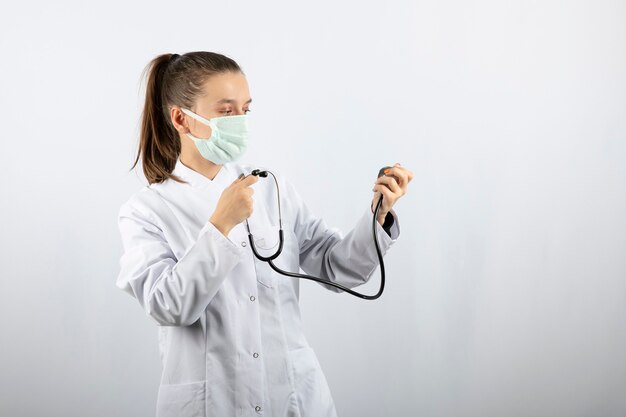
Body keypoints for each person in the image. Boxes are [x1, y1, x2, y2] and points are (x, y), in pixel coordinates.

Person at [116, 51, 413, 417]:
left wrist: (378, 215)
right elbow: (168, 307)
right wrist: (219, 226)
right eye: (226, 111)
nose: (239, 121)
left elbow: (338, 269)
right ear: (181, 118)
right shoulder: (146, 211)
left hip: (291, 396)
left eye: (245, 109)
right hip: (213, 403)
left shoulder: (270, 187)